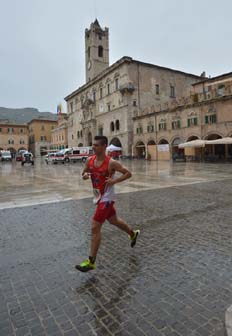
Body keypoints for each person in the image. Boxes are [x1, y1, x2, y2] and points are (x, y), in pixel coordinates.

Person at [75, 135, 140, 272]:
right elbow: (84, 172)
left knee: (95, 227)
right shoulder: (89, 160)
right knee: (114, 220)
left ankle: (91, 261)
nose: (94, 147)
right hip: (97, 196)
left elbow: (128, 173)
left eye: (97, 145)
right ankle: (132, 233)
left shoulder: (112, 163)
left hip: (107, 198)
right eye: (93, 145)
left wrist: (114, 181)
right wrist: (84, 176)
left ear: (104, 146)